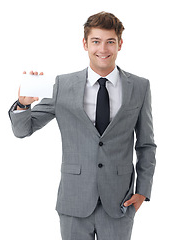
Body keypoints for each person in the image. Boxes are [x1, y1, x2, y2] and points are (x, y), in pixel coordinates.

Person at [9, 11, 156, 240]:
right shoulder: (63, 85)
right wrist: (23, 104)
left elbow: (146, 144)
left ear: (120, 44)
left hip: (120, 204)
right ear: (85, 44)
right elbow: (22, 130)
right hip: (73, 202)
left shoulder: (139, 86)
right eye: (96, 41)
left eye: (110, 42)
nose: (103, 49)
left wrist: (143, 191)